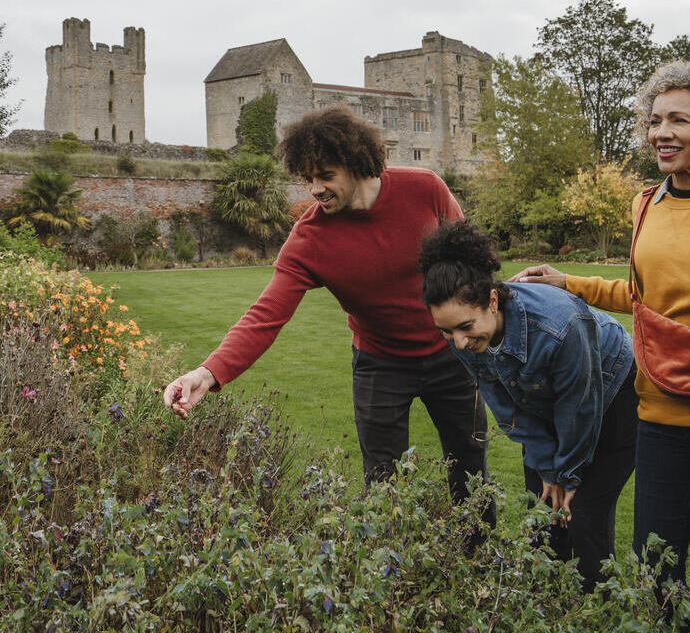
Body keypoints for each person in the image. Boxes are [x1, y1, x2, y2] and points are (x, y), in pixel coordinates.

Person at [164, 107, 489, 506]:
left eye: (326, 176)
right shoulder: (310, 239)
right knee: (383, 485)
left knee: (471, 471)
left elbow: (471, 265)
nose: (315, 189)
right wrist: (207, 372)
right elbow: (265, 315)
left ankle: (480, 559)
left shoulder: (425, 188)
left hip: (451, 356)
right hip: (380, 365)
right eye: (308, 179)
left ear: (357, 164)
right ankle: (391, 565)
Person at [512, 60, 690, 584]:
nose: (662, 133)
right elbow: (642, 297)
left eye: (679, 120)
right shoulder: (648, 204)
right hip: (658, 414)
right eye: (655, 120)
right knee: (658, 570)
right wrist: (571, 284)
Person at [418, 219, 636, 591]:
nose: (457, 342)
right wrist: (546, 467)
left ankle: (596, 607)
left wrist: (566, 474)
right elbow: (505, 407)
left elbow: (578, 406)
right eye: (445, 331)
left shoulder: (560, 324)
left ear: (491, 300)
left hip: (613, 394)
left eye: (465, 327)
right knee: (543, 515)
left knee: (582, 516)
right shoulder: (467, 338)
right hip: (548, 403)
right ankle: (548, 607)